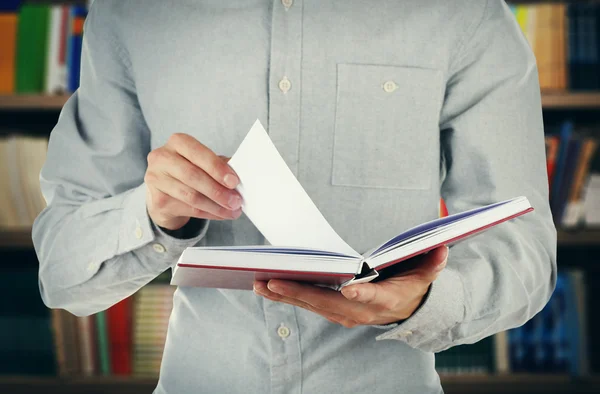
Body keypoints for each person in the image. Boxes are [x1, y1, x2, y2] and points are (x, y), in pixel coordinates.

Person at [32, 1, 557, 393]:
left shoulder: (464, 13)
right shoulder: (134, 13)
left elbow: (524, 248)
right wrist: (153, 215)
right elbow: (63, 273)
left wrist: (426, 302)